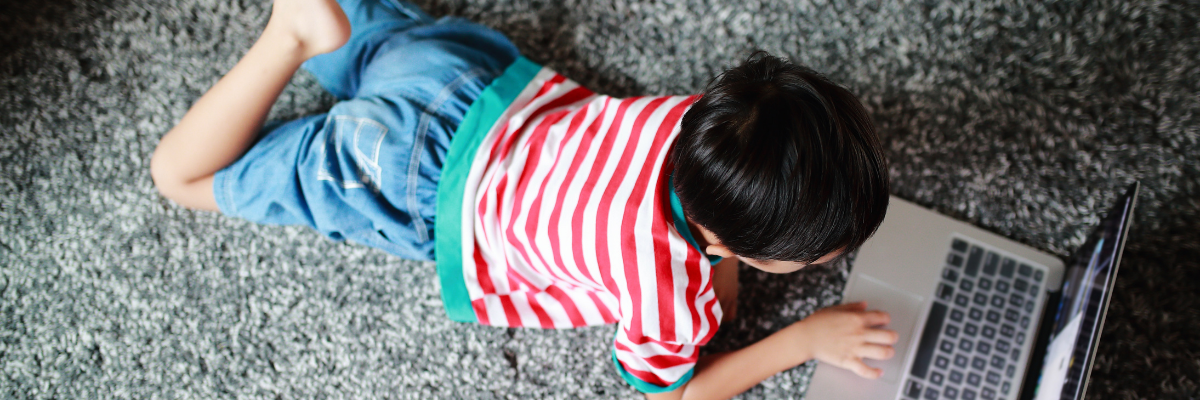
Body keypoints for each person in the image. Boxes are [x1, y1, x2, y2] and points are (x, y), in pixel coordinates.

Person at [149, 0, 898, 398]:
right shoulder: (666, 295)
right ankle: (286, 38)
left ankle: (316, 28)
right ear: (729, 245)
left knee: (355, 31)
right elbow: (675, 395)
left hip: (467, 79)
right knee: (182, 179)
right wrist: (801, 340)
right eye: (809, 256)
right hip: (409, 176)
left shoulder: (703, 120)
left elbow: (714, 240)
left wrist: (729, 268)